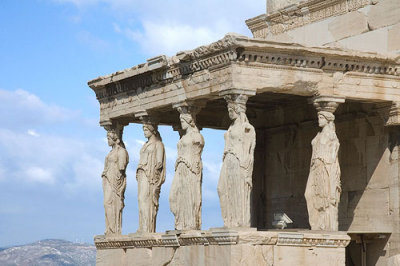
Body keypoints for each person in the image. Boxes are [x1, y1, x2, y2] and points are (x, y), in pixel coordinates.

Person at [218, 96, 255, 227]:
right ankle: (229, 220)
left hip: (238, 161)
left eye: (231, 109)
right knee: (222, 189)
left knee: (237, 190)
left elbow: (250, 150)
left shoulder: (247, 128)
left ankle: (239, 222)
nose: (229, 112)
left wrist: (246, 167)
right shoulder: (231, 127)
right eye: (228, 109)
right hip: (228, 160)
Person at [305, 111, 341, 231]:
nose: (319, 120)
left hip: (325, 168)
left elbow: (332, 156)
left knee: (324, 197)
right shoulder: (319, 134)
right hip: (315, 167)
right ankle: (316, 225)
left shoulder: (331, 136)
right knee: (309, 194)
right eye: (319, 117)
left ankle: (325, 226)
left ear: (327, 120)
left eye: (321, 118)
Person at [170, 113, 204, 230]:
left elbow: (197, 154)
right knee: (173, 197)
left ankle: (190, 224)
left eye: (183, 121)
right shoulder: (184, 137)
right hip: (180, 168)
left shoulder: (197, 137)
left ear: (189, 121)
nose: (181, 123)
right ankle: (181, 223)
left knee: (189, 195)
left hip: (190, 169)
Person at [136, 123, 166, 233]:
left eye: (146, 129)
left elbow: (159, 163)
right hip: (142, 174)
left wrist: (154, 177)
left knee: (146, 199)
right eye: (143, 129)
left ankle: (147, 228)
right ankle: (142, 226)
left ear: (152, 130)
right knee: (141, 200)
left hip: (150, 176)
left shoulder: (158, 144)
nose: (144, 132)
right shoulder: (145, 144)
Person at [102, 130, 129, 236]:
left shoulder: (121, 151)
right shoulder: (111, 152)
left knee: (111, 203)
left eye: (109, 138)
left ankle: (114, 229)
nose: (107, 141)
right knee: (107, 203)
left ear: (114, 139)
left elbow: (122, 167)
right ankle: (110, 228)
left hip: (115, 180)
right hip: (108, 179)